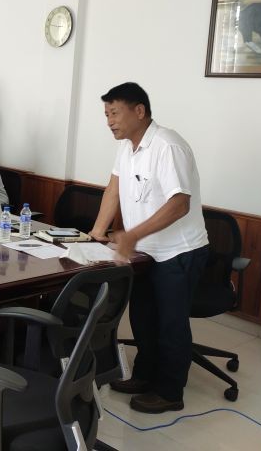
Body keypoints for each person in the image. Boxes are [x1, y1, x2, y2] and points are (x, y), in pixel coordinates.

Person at [89, 82, 209, 414]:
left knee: (170, 324)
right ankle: (144, 376)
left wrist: (130, 235)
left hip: (178, 252)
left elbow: (179, 204)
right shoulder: (127, 147)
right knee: (142, 318)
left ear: (139, 111)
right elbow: (113, 188)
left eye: (114, 113)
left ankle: (170, 392)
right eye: (106, 114)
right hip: (145, 253)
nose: (109, 121)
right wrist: (98, 230)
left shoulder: (167, 146)